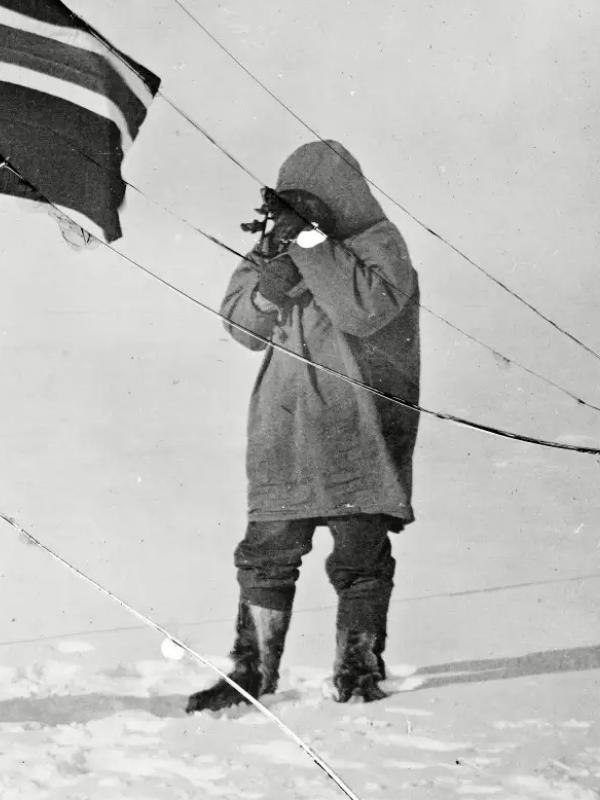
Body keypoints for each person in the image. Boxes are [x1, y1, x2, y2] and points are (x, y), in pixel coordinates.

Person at [186, 140, 420, 712]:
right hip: (284, 424)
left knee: (361, 554)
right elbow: (240, 327)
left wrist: (307, 246)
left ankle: (359, 670)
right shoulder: (277, 246)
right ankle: (252, 672)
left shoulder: (378, 245)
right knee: (266, 551)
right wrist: (269, 287)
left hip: (356, 422)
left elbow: (364, 308)